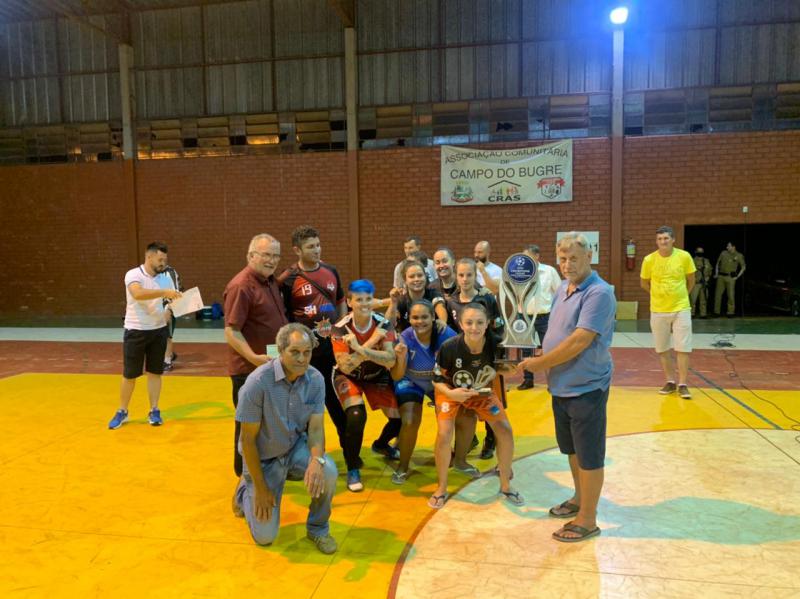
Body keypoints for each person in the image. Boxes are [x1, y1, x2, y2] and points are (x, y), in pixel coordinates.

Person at [519, 232, 616, 543]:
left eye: (574, 258)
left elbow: (579, 340)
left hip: (586, 386)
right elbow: (559, 331)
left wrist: (541, 363)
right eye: (562, 258)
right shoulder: (563, 288)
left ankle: (588, 518)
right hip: (561, 386)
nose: (567, 264)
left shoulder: (598, 293)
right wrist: (542, 354)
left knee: (589, 455)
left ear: (589, 257)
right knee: (572, 449)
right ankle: (578, 498)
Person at [232, 323, 339, 554]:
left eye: (307, 352)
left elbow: (316, 429)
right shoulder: (257, 383)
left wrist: (315, 461)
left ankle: (318, 529)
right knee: (265, 537)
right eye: (295, 352)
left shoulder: (316, 379)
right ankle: (245, 492)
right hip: (263, 459)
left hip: (293, 450)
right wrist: (260, 488)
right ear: (280, 351)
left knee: (328, 470)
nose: (302, 359)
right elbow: (247, 441)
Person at [429, 302, 522, 509]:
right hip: (450, 392)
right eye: (469, 322)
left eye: (479, 322)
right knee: (444, 434)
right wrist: (452, 393)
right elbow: (436, 380)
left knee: (505, 430)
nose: (474, 327)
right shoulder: (450, 346)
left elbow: (505, 369)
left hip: (482, 393)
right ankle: (441, 488)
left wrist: (512, 368)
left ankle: (506, 485)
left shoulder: (497, 344)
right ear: (461, 324)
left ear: (487, 324)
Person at [223, 234, 288, 489]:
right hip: (249, 372)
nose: (271, 260)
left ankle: (264, 474)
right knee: (247, 430)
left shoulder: (271, 281)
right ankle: (243, 484)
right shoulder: (241, 286)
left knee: (267, 425)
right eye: (266, 255)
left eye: (275, 255)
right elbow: (231, 331)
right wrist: (253, 358)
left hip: (270, 366)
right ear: (251, 256)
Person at [278, 226, 348, 451]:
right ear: (297, 250)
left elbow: (341, 302)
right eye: (310, 247)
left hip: (332, 349)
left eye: (318, 245)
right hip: (305, 353)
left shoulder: (331, 271)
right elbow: (283, 315)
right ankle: (310, 455)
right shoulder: (288, 279)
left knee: (335, 402)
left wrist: (342, 332)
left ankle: (350, 454)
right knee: (305, 405)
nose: (316, 250)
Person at [331, 280, 397, 492]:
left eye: (369, 299)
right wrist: (370, 347)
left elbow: (390, 360)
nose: (365, 304)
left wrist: (359, 348)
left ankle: (380, 444)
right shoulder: (340, 328)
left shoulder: (384, 323)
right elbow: (346, 367)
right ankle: (352, 466)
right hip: (348, 377)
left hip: (376, 375)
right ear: (350, 302)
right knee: (357, 416)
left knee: (400, 419)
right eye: (359, 300)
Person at [108, 241, 182, 430]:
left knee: (155, 373)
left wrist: (169, 309)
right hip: (135, 331)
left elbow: (171, 301)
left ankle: (154, 410)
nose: (163, 263)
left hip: (158, 331)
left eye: (165, 260)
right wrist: (164, 292)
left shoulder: (166, 278)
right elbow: (138, 294)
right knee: (130, 374)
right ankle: (122, 410)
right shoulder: (133, 275)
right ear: (149, 256)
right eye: (160, 259)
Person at [389, 299, 457, 484]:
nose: (420, 321)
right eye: (415, 317)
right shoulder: (404, 338)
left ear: (433, 317)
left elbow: (456, 367)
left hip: (438, 382)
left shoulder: (447, 335)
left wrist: (447, 390)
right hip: (411, 381)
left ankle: (456, 454)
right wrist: (401, 358)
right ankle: (403, 466)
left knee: (455, 415)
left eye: (425, 317)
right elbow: (396, 376)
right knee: (410, 420)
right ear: (409, 319)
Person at [446, 258, 505, 461]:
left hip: (485, 360)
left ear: (475, 275)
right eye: (461, 275)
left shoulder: (487, 298)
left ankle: (491, 440)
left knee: (489, 400)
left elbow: (498, 326)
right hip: (460, 363)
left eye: (469, 274)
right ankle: (466, 440)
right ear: (456, 275)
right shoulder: (450, 301)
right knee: (463, 403)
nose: (464, 279)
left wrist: (496, 355)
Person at [640, 226, 696, 400]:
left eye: (665, 238)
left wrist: (681, 297)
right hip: (658, 310)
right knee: (662, 348)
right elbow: (644, 283)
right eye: (659, 239)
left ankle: (683, 384)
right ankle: (670, 381)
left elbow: (691, 280)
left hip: (681, 308)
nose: (662, 242)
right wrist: (658, 295)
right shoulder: (649, 260)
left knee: (683, 347)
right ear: (656, 241)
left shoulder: (684, 257)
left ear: (673, 240)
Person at [518, 244, 561, 391]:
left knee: (549, 349)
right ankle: (528, 380)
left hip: (545, 316)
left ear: (537, 256)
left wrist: (556, 314)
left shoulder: (549, 271)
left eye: (527, 257)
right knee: (525, 350)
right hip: (524, 317)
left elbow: (560, 293)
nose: (524, 261)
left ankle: (553, 381)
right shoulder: (518, 272)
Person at [385, 258, 448, 332]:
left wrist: (442, 321)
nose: (416, 279)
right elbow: (388, 324)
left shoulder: (434, 294)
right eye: (412, 276)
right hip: (409, 341)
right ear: (405, 280)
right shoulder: (402, 300)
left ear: (425, 276)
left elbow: (440, 307)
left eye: (420, 275)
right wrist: (393, 302)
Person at [714, 242, 746, 317]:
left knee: (731, 295)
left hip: (730, 277)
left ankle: (730, 312)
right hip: (721, 276)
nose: (727, 247)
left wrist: (737, 276)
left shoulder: (739, 255)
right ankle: (716, 312)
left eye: (728, 246)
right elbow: (717, 263)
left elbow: (743, 267)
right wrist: (716, 273)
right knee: (718, 295)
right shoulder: (723, 253)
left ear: (733, 247)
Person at [160, 264, 182, 371]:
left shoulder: (169, 273)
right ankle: (169, 354)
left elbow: (175, 293)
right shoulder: (149, 274)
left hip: (168, 308)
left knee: (167, 335)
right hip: (154, 309)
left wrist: (169, 309)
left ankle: (167, 361)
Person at [689, 247, 713, 318]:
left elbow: (710, 270)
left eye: (702, 251)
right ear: (696, 252)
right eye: (699, 251)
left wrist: (708, 277)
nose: (700, 253)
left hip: (704, 284)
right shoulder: (692, 261)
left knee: (703, 300)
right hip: (695, 283)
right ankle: (691, 314)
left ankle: (703, 314)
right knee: (693, 300)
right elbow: (689, 272)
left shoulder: (706, 261)